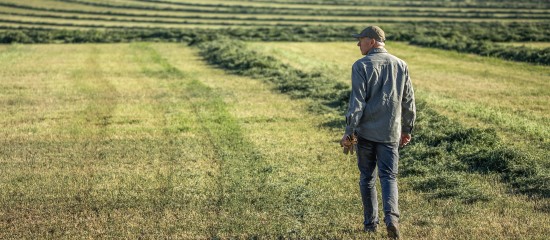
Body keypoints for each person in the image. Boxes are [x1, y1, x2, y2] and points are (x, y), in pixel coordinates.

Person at [340, 26, 416, 239]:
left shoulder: (361, 66)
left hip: (365, 133)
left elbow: (356, 103)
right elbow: (408, 101)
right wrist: (407, 129)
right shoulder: (401, 65)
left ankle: (370, 224)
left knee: (367, 178)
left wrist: (349, 131)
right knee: (389, 177)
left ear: (372, 41)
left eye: (361, 40)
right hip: (391, 132)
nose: (358, 44)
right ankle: (392, 219)